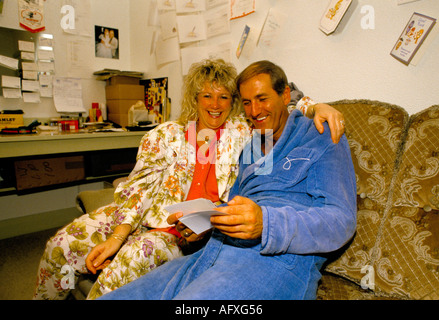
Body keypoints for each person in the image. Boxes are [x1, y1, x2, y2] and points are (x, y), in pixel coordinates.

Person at [33, 59, 345, 300]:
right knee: (60, 244)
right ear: (194, 98)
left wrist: (315, 106)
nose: (215, 103)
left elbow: (277, 106)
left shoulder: (246, 133)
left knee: (125, 266)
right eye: (207, 95)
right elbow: (139, 189)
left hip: (185, 231)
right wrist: (118, 235)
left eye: (224, 97)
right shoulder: (167, 135)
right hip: (149, 216)